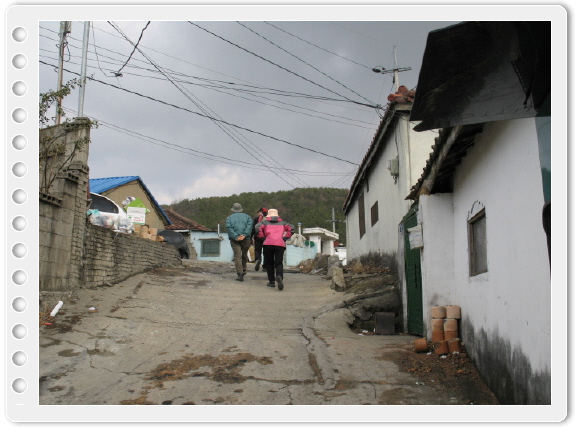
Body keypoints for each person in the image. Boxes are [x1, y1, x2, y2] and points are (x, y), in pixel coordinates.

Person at [256, 208, 292, 291]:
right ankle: (279, 277)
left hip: (268, 243)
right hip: (280, 244)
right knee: (279, 262)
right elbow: (291, 228)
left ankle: (271, 281)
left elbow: (257, 228)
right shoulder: (283, 223)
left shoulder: (264, 223)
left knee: (269, 263)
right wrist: (285, 238)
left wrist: (263, 237)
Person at [226, 203, 253, 282]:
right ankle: (244, 270)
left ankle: (240, 274)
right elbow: (249, 226)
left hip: (235, 240)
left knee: (237, 256)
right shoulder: (248, 217)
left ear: (233, 210)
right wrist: (244, 235)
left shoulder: (229, 218)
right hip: (246, 239)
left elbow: (229, 227)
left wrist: (235, 236)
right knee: (244, 254)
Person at [252, 207, 268, 271]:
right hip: (266, 238)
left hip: (258, 237)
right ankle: (265, 266)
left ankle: (258, 260)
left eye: (258, 212)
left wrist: (252, 236)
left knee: (258, 250)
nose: (258, 213)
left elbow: (253, 228)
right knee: (266, 252)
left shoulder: (256, 219)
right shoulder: (268, 219)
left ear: (261, 212)